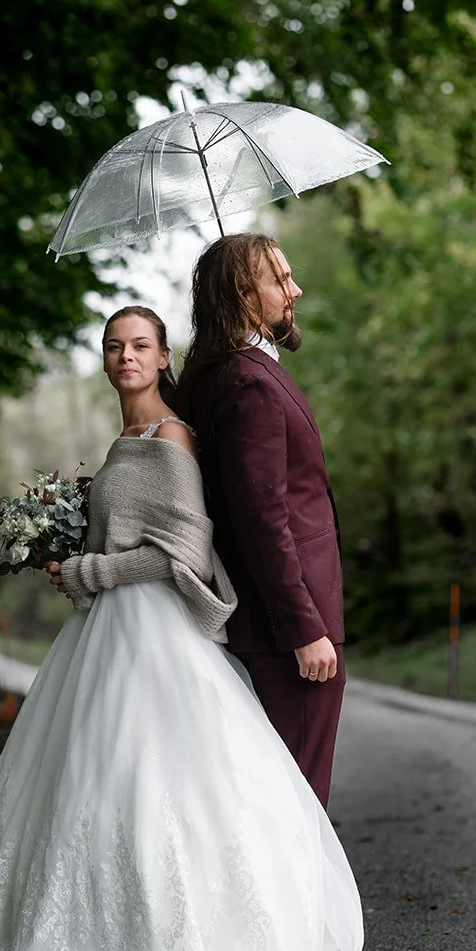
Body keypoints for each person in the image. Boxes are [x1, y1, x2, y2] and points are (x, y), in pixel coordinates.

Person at [0, 305, 374, 951]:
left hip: (155, 631)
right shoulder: (125, 440)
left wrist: (90, 570)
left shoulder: (172, 436)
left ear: (164, 358)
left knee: (164, 785)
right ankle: (96, 949)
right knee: (90, 787)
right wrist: (64, 551)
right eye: (113, 346)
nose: (125, 356)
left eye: (139, 345)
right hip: (105, 633)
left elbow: (182, 552)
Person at [174, 234, 347, 810]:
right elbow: (262, 519)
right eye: (281, 280)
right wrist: (303, 629)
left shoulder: (213, 374)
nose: (296, 291)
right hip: (286, 627)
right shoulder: (247, 382)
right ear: (245, 296)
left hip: (269, 620)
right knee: (299, 798)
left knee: (277, 792)